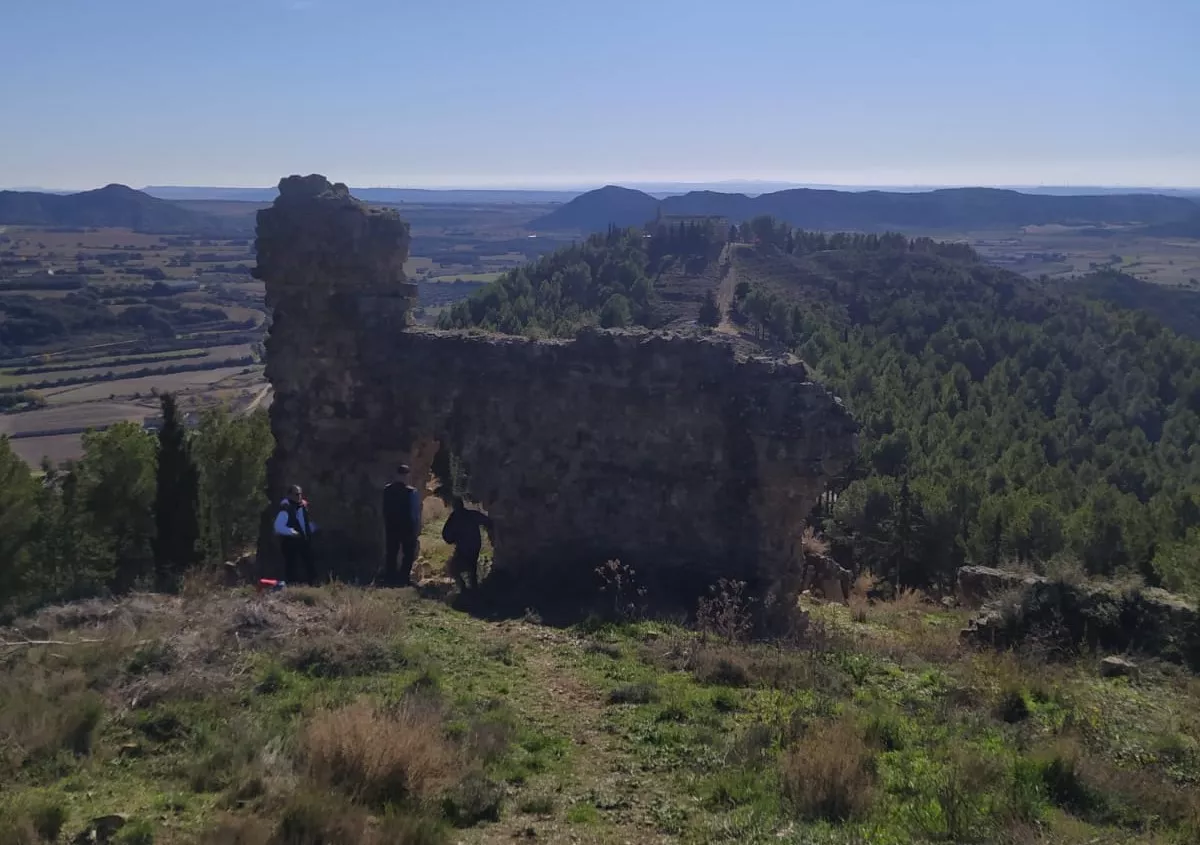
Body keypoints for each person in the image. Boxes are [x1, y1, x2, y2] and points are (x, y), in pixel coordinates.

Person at [442, 496, 494, 592]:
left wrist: (453, 539)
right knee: (471, 568)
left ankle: (464, 589)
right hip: (474, 546)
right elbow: (487, 521)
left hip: (463, 548)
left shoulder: (454, 517)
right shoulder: (471, 514)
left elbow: (446, 534)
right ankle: (472, 589)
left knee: (455, 568)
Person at [382, 465, 421, 586]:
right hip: (406, 526)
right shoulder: (411, 492)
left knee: (391, 552)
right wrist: (416, 527)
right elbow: (414, 513)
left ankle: (390, 577)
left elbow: (384, 509)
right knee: (408, 553)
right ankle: (403, 578)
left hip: (391, 525)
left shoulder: (387, 490)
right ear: (406, 476)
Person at [274, 484, 317, 584]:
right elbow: (278, 526)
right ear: (289, 495)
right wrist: (292, 532)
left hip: (303, 540)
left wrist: (312, 528)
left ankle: (313, 582)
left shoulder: (303, 506)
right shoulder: (286, 508)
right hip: (290, 542)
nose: (299, 497)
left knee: (309, 561)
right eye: (296, 494)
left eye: (300, 494)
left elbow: (305, 522)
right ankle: (292, 585)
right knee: (291, 564)